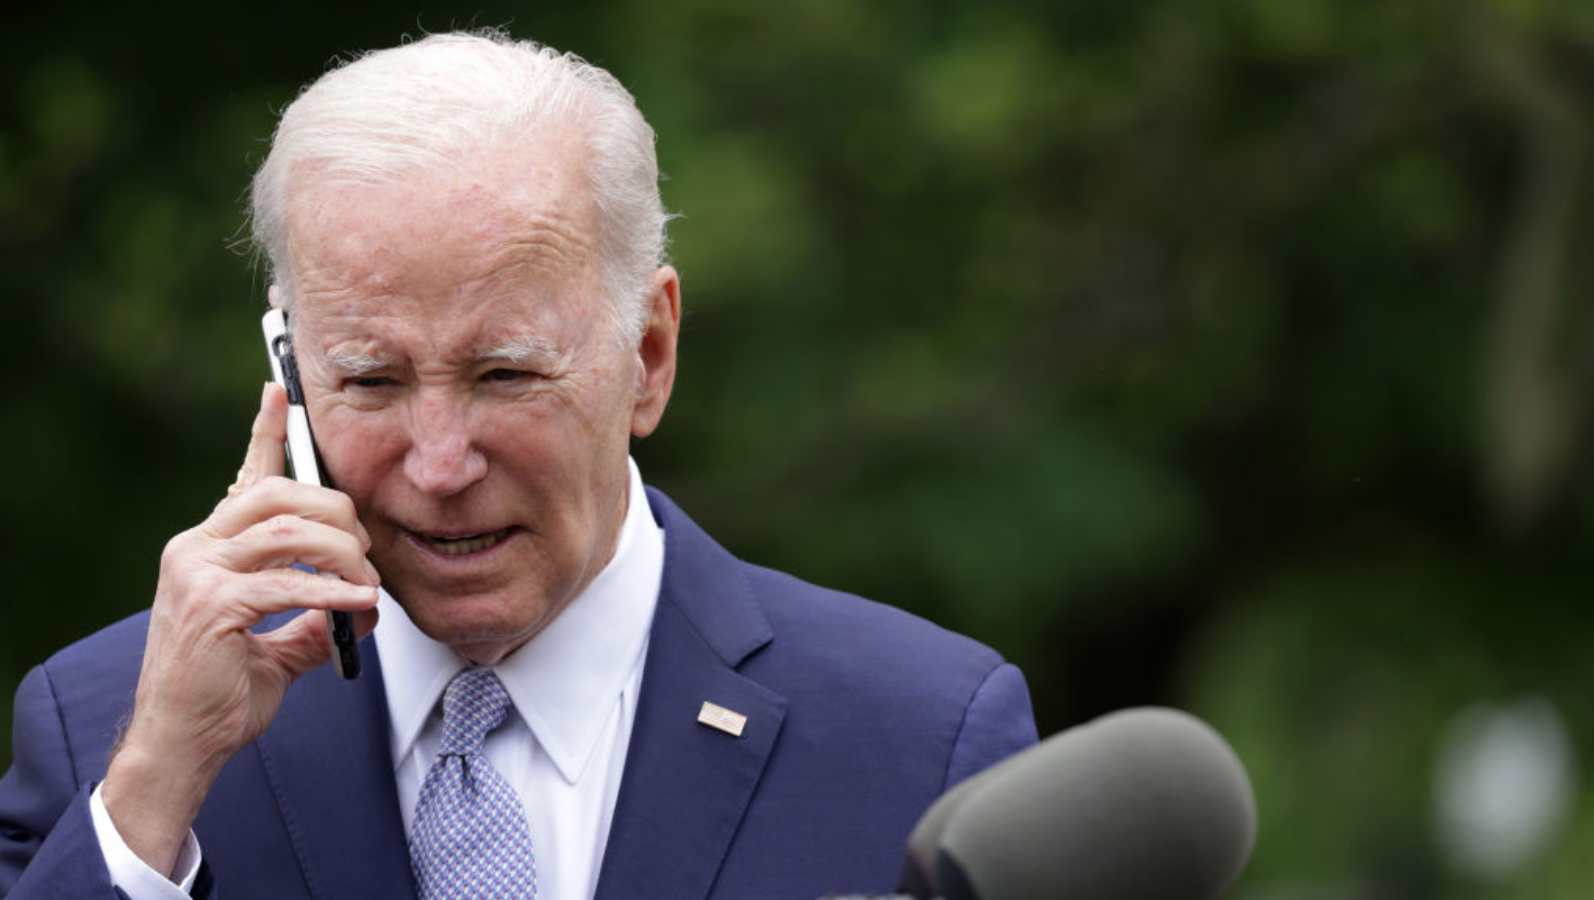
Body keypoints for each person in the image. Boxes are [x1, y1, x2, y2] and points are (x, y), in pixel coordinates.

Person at [0, 30, 1037, 900]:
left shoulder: (923, 737)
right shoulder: (109, 734)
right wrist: (149, 798)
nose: (441, 465)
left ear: (648, 355)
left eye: (503, 375)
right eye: (370, 382)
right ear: (292, 377)